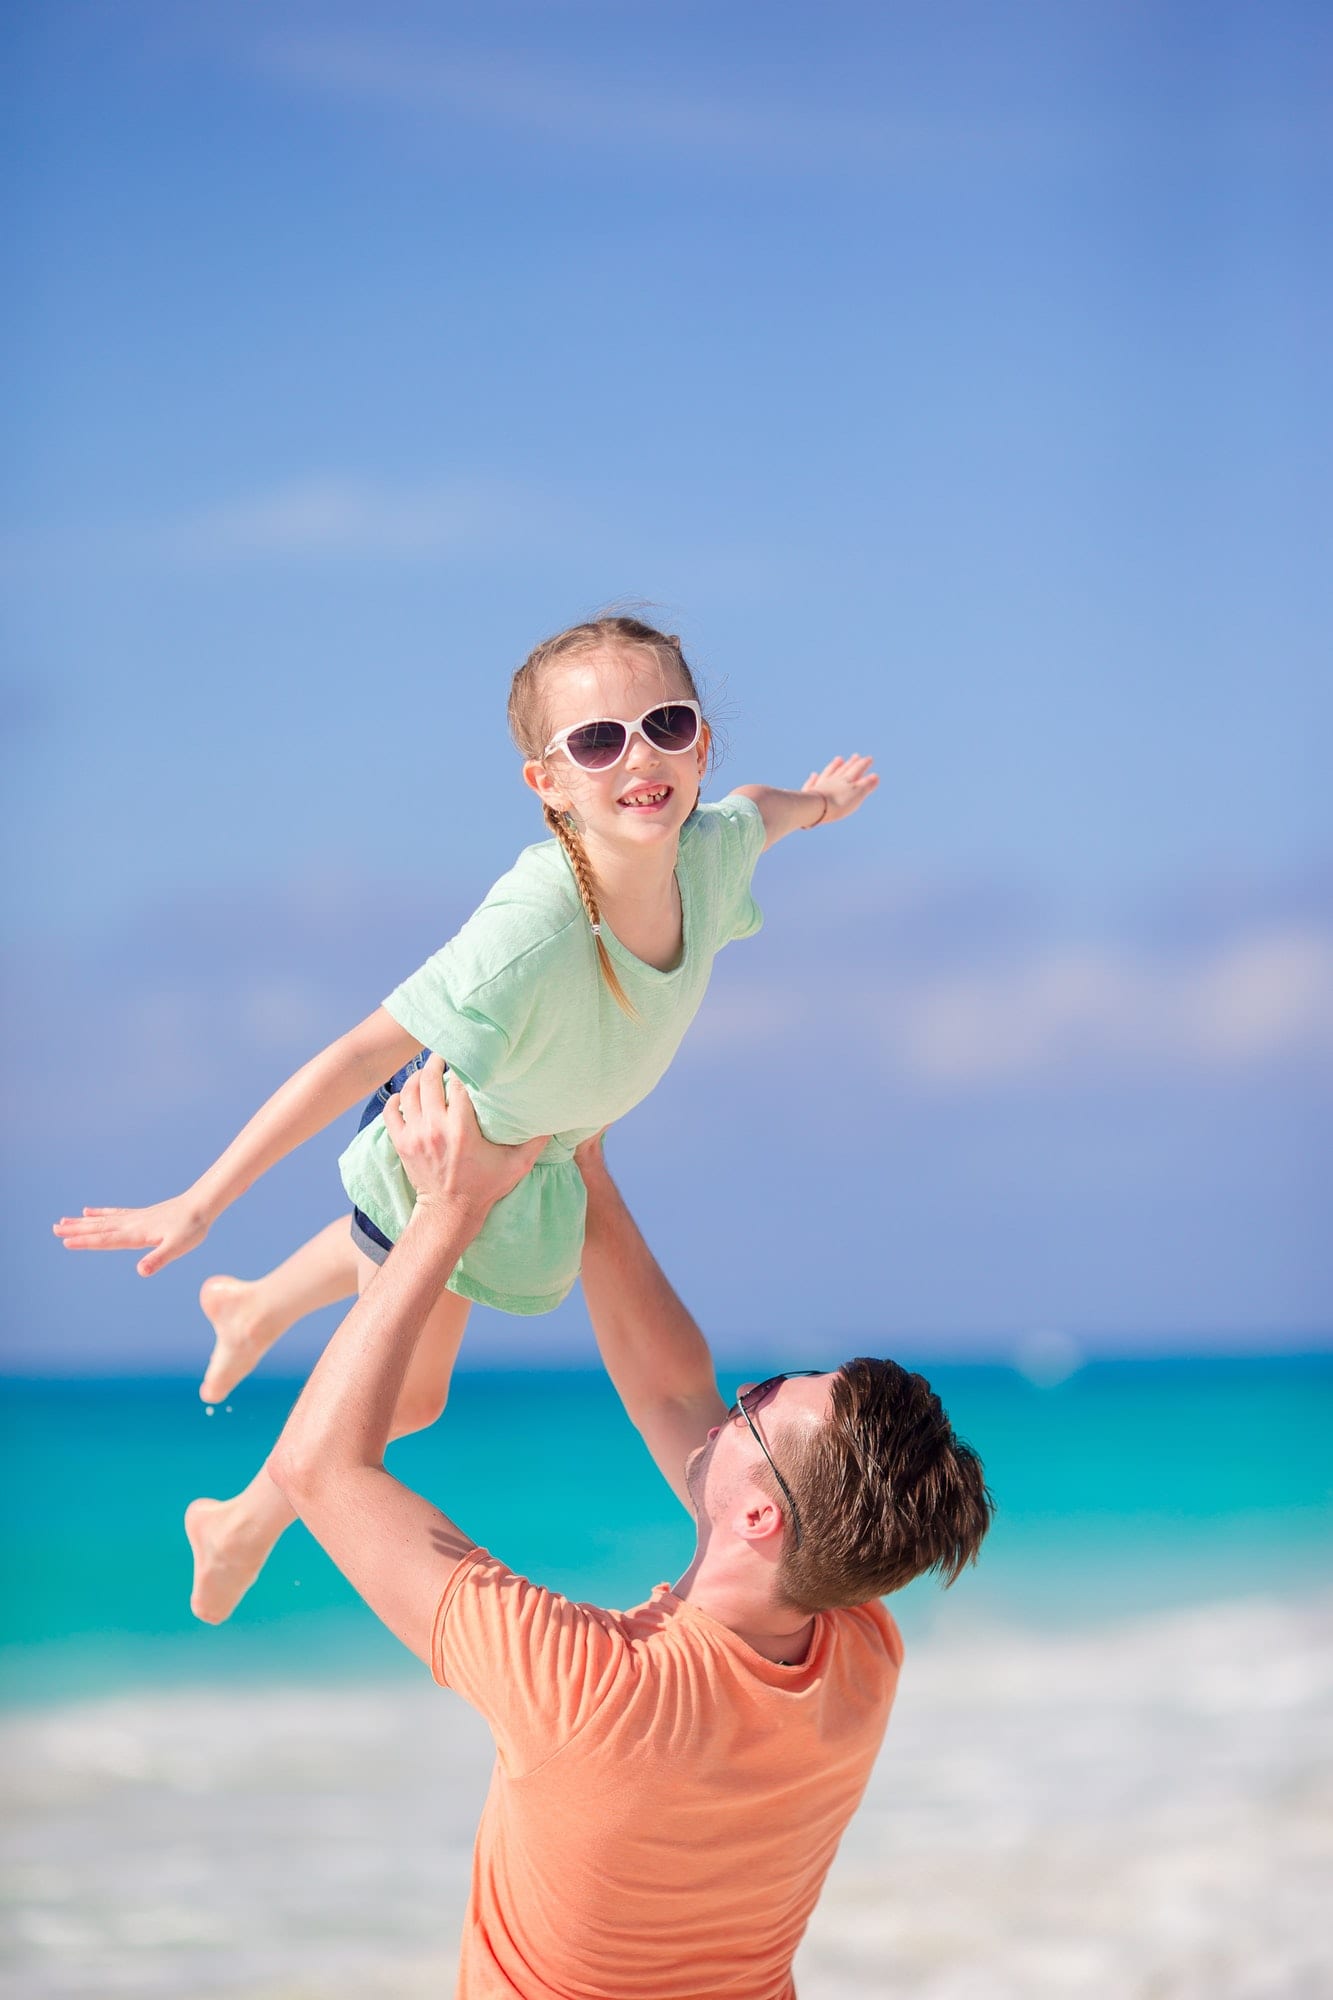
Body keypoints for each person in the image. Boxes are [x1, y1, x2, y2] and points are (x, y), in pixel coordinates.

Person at [53, 616, 879, 1621]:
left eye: (666, 723)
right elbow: (359, 1051)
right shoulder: (529, 928)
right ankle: (236, 1521)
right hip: (445, 1150)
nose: (640, 756)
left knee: (395, 1289)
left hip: (537, 1155)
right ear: (549, 783)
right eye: (596, 739)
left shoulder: (713, 850)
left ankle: (257, 1305)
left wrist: (824, 802)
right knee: (406, 1398)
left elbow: (762, 807)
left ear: (701, 742)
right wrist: (201, 1199)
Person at [268, 1055, 993, 1999]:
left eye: (762, 1402)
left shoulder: (590, 1692)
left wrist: (451, 1210)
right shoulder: (854, 1654)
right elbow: (670, 1389)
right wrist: (587, 1171)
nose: (736, 1395)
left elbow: (319, 1471)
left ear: (761, 1514)